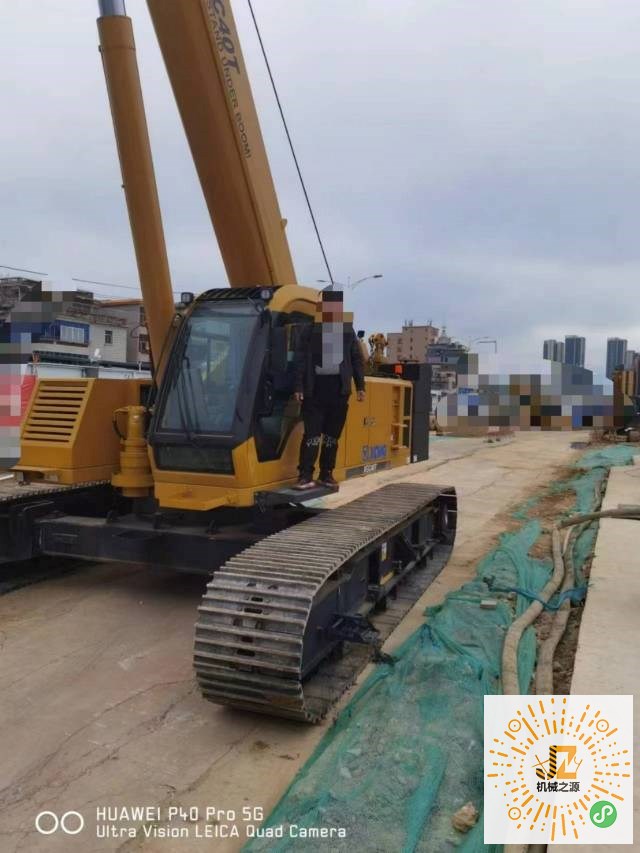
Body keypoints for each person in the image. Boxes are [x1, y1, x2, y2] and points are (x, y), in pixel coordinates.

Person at [292, 290, 365, 489]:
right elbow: (299, 360)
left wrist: (360, 386)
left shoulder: (347, 331)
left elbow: (356, 359)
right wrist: (298, 386)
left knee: (332, 437)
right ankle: (305, 476)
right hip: (314, 392)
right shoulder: (309, 330)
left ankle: (326, 474)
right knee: (312, 436)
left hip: (339, 392)